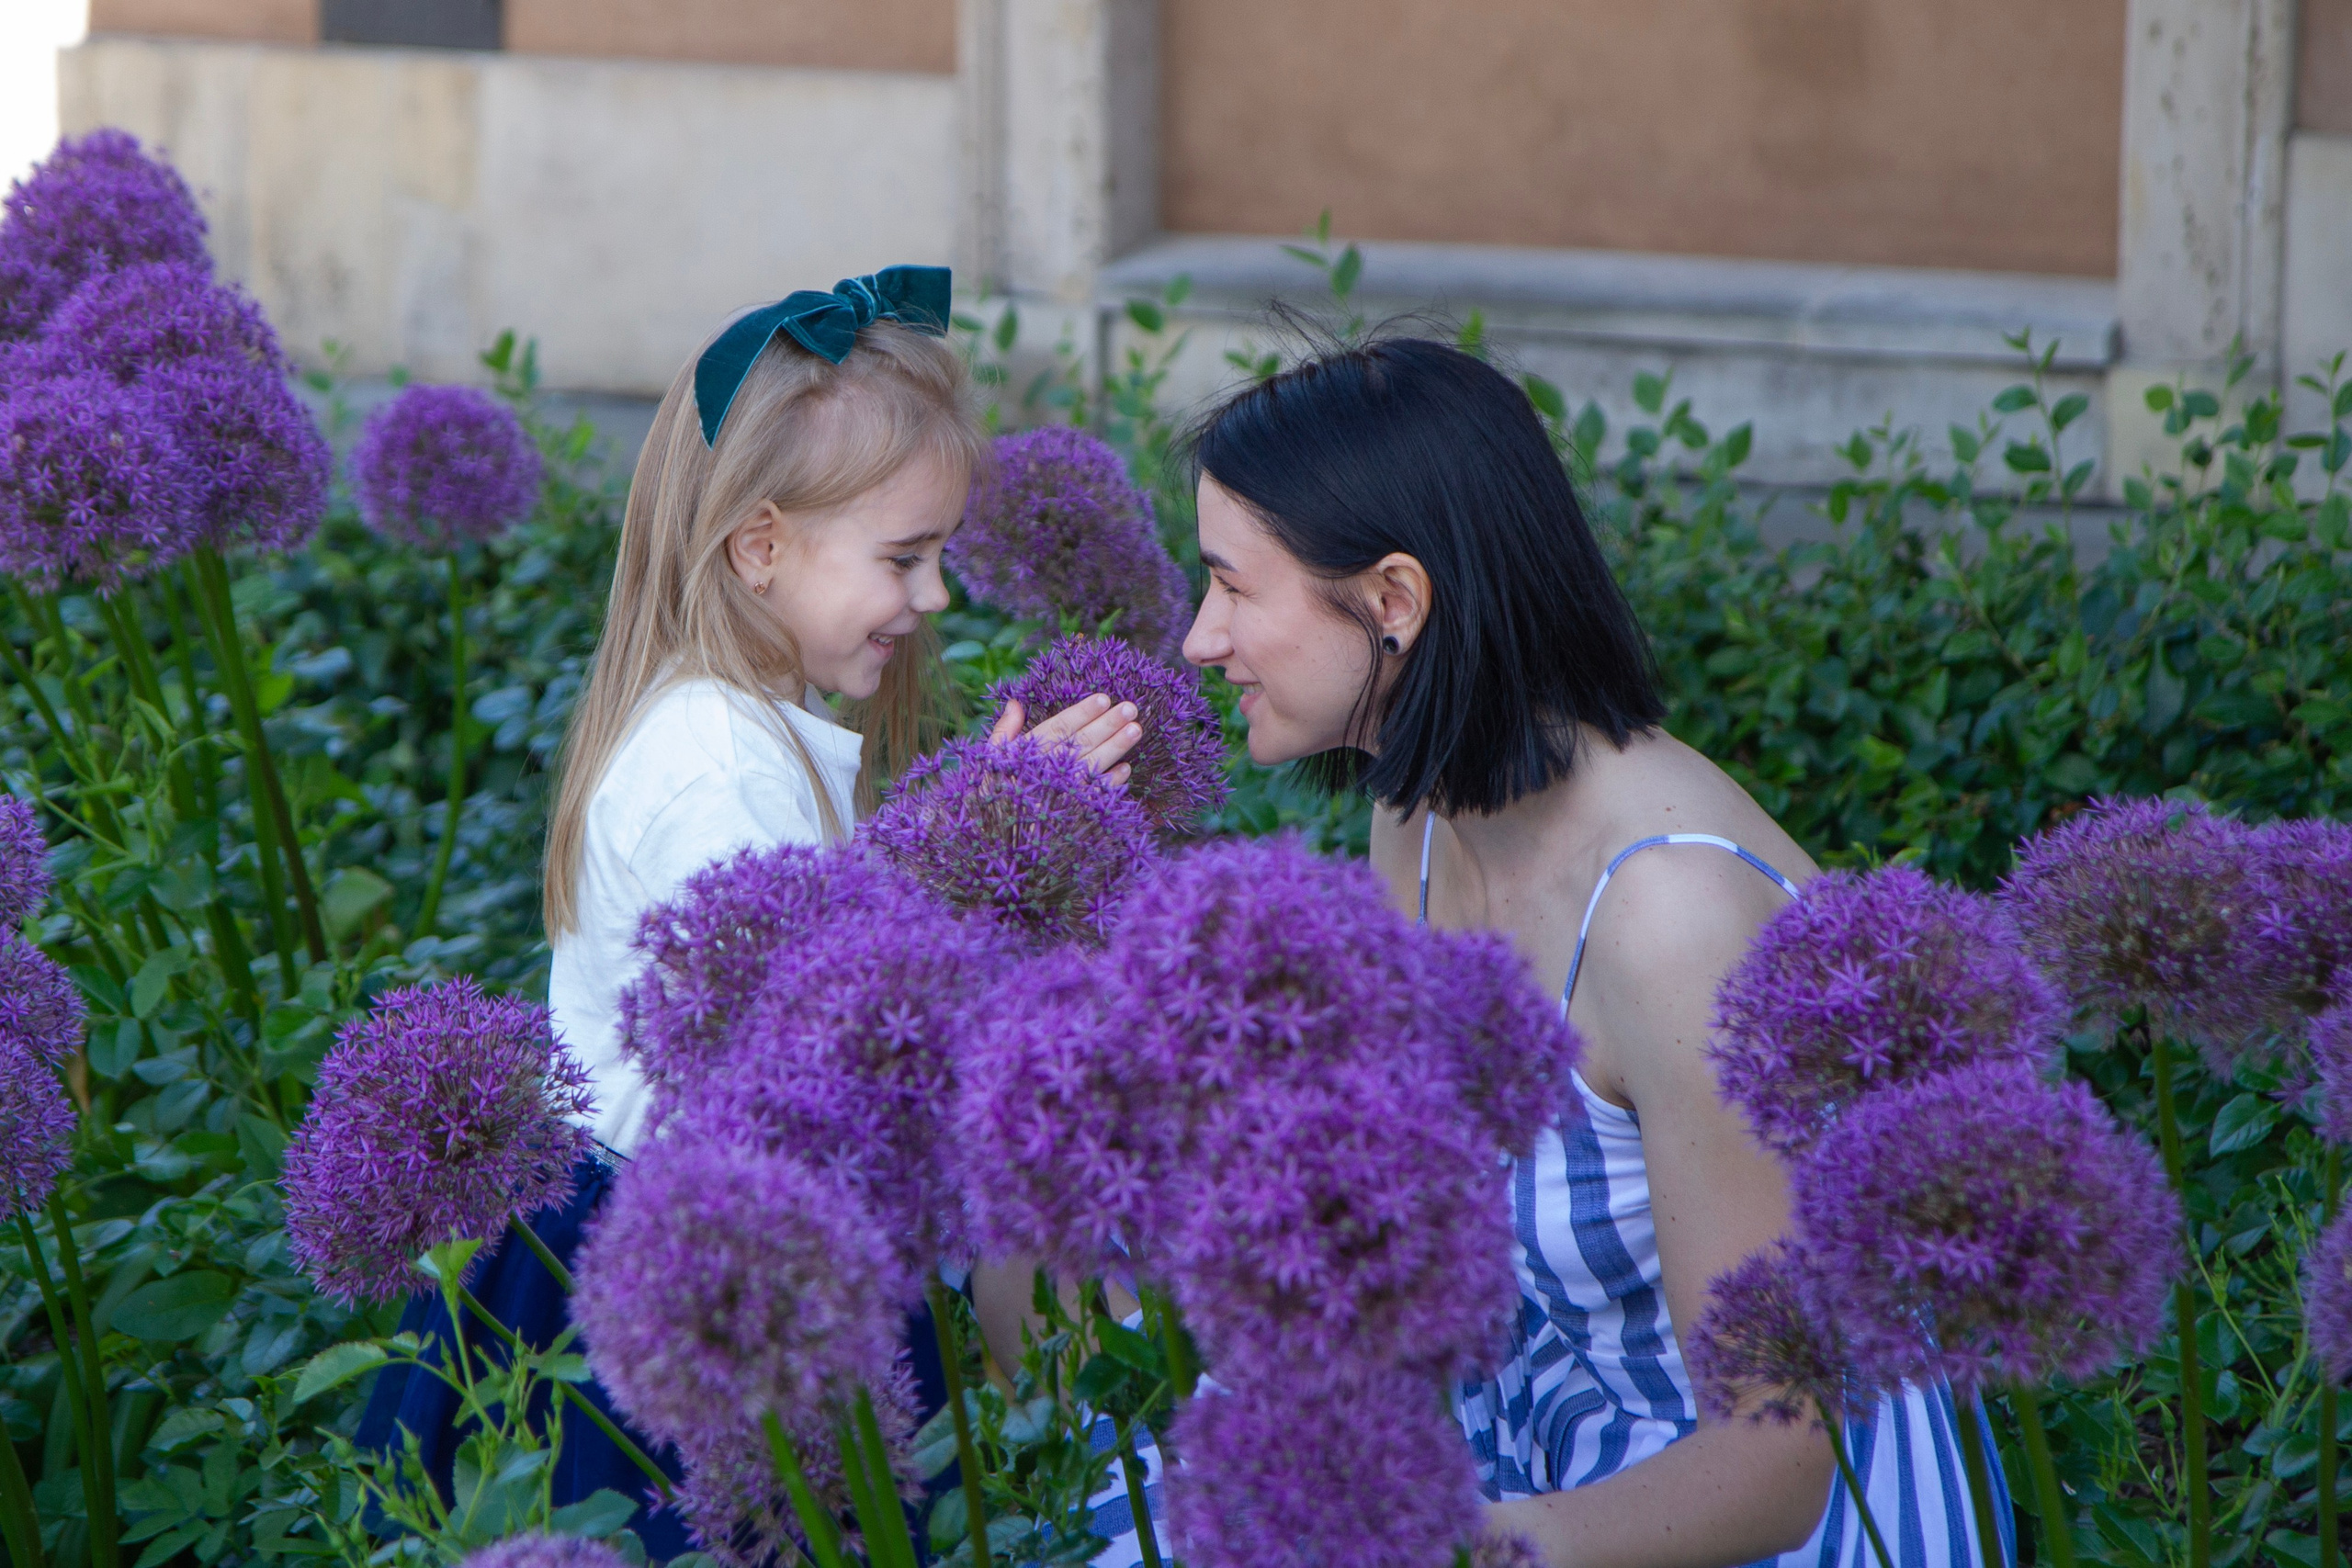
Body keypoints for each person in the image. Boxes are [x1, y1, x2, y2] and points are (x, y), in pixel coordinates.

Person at [1174, 334, 2011, 1568]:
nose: (1200, 638)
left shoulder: (1671, 918)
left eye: (1234, 587)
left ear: (1394, 602)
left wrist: (1444, 1545)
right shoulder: (1412, 820)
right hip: (1539, 1437)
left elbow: (1780, 1458)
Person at [357, 268, 1144, 1554]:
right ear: (761, 546)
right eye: (906, 558)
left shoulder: (733, 728)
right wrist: (988, 855)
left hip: (709, 1227)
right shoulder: (713, 771)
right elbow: (811, 1044)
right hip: (681, 1278)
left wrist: (990, 828)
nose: (937, 598)